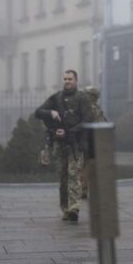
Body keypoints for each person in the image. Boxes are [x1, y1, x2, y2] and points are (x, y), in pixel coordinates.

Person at [35, 70, 93, 221]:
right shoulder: (57, 97)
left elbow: (88, 120)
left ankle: (74, 207)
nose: (67, 81)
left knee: (74, 175)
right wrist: (51, 113)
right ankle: (66, 209)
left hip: (76, 144)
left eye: (70, 79)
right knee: (63, 177)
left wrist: (69, 132)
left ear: (76, 81)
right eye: (65, 79)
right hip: (60, 145)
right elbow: (38, 112)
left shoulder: (83, 98)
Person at [80, 85, 108, 198]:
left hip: (88, 139)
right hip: (91, 140)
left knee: (84, 166)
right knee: (87, 165)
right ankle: (85, 188)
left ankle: (84, 188)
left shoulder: (87, 108)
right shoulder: (94, 108)